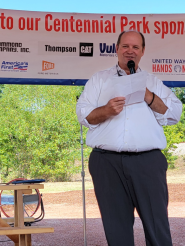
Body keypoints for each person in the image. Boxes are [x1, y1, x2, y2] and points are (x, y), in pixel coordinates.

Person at [76, 30, 182, 246]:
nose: (130, 51)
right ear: (116, 49)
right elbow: (83, 115)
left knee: (157, 225)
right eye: (125, 46)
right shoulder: (99, 80)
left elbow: (174, 114)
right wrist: (106, 110)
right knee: (116, 228)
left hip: (147, 163)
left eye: (135, 47)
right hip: (106, 163)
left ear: (142, 52)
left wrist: (148, 95)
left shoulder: (152, 82)